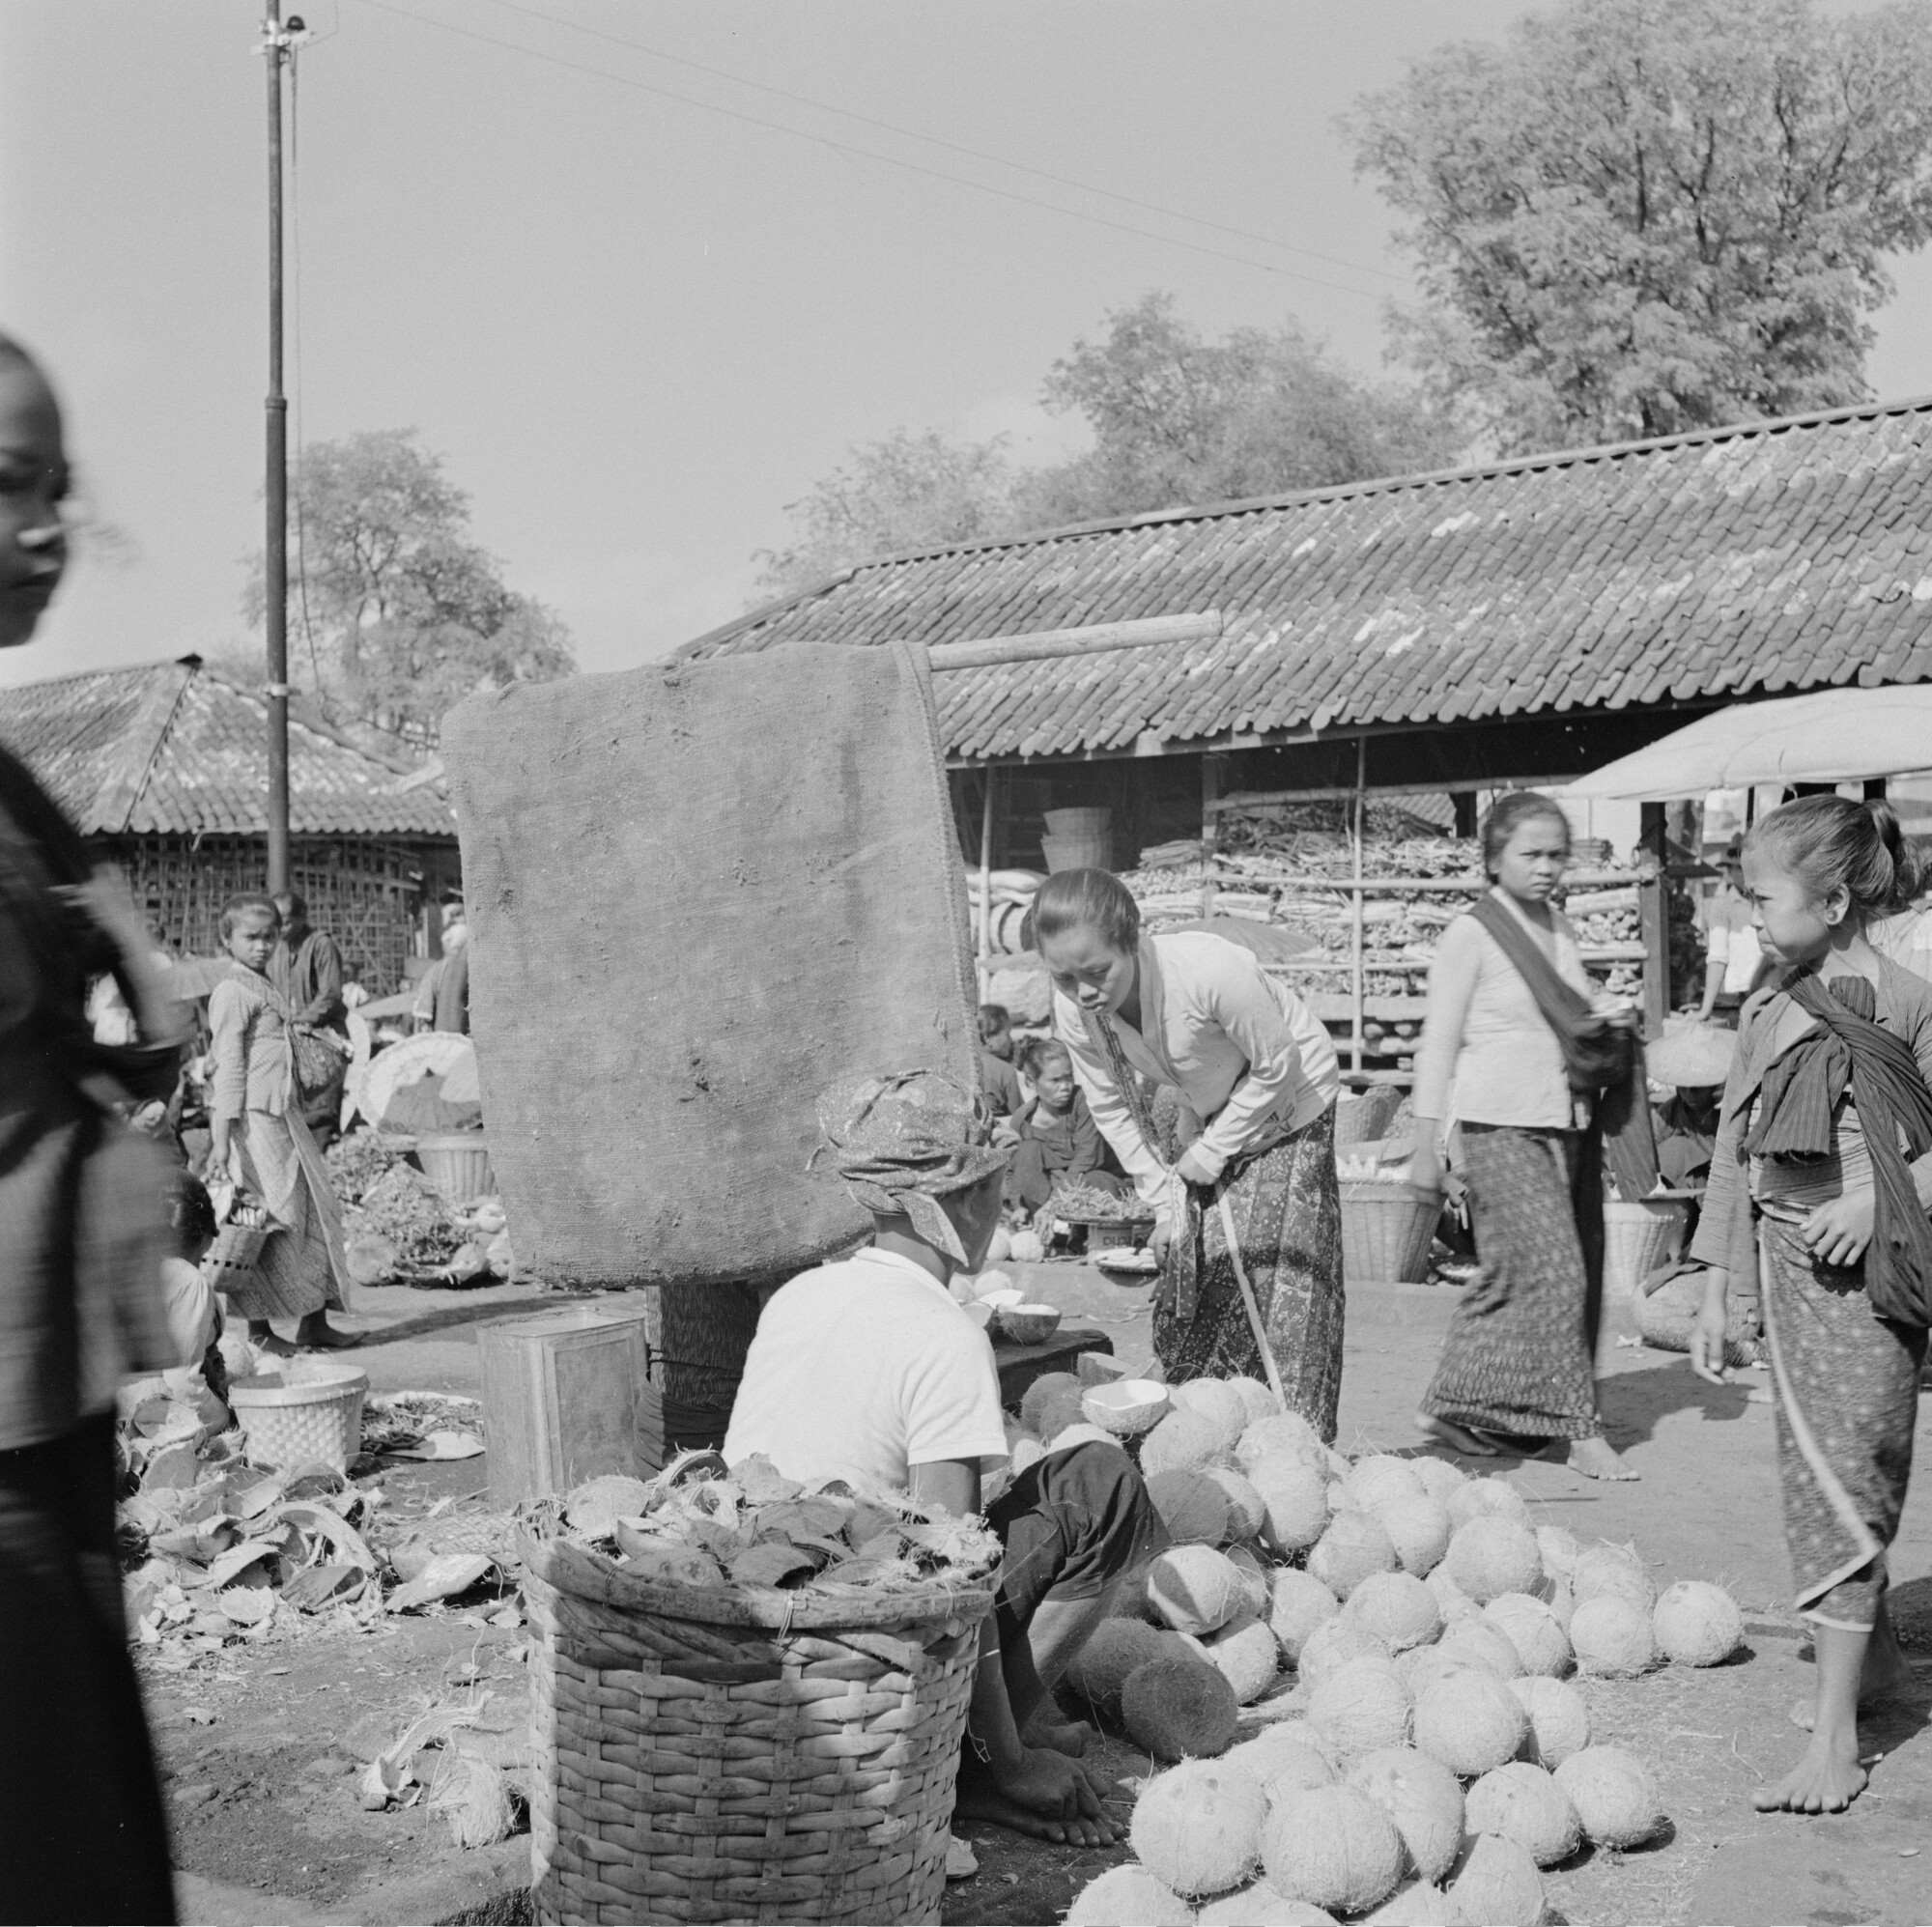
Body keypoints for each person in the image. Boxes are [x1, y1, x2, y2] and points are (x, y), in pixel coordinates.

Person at [724, 1067, 1167, 1845]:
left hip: (771, 1631)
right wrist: (1009, 1759)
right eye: (994, 1183)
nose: (1000, 1204)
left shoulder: (796, 1296)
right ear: (959, 1202)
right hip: (868, 1659)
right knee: (1102, 1481)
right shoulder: (945, 1334)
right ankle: (965, 1766)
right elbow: (950, 1588)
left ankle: (985, 1738)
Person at [0, 330, 180, 1924]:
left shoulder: (17, 794)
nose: (42, 525)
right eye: (2, 484)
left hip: (49, 1438)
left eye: (50, 485)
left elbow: (151, 1023)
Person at [1690, 796, 1932, 1816]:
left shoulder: (1908, 1000)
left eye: (1760, 898)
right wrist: (1714, 1283)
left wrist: (1875, 1192)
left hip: (1871, 1274)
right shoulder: (1762, 1007)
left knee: (1850, 1482)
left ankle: (1834, 1744)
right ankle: (1866, 1669)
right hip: (1787, 1269)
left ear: (1831, 900)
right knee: (1816, 1476)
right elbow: (1730, 1157)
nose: (1746, 917)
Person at [1032, 868, 1344, 1432]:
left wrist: (1217, 1147)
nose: (1084, 992)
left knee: (1277, 1277)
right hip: (1208, 1110)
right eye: (1065, 979)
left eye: (1097, 972)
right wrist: (1161, 1200)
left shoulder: (1209, 971)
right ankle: (1208, 1425)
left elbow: (1278, 1062)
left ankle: (1297, 1436)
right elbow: (1109, 1105)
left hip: (1293, 1100)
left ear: (1132, 939)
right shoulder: (1079, 1013)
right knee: (1198, 1266)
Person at [1410, 793, 1651, 1482]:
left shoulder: (1560, 928)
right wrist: (1426, 1143)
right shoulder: (1473, 933)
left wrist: (1605, 1014)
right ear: (1493, 858)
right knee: (1559, 1271)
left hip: (1562, 1121)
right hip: (1497, 1124)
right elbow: (1438, 1042)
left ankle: (1451, 1406)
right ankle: (1580, 1430)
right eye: (1531, 854)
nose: (1548, 868)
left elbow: (1568, 1015)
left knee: (1514, 1274)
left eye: (1556, 854)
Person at [208, 893, 357, 1354]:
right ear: (226, 939)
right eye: (250, 938)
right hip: (254, 1123)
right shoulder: (232, 992)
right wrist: (220, 1140)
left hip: (284, 1115)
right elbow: (228, 1067)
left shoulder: (263, 985)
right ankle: (259, 1332)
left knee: (312, 1209)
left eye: (269, 937)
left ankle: (314, 1323)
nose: (261, 946)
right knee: (268, 1220)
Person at [1002, 1036, 1125, 1215]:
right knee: (1026, 1151)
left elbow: (1087, 1159)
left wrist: (1056, 1201)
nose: (1065, 1086)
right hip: (1050, 1192)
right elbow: (1011, 1170)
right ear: (1031, 1082)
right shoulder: (1022, 1120)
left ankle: (1071, 1232)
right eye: (1055, 1080)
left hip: (1089, 1183)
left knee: (1093, 1180)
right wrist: (1017, 1206)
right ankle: (1038, 1220)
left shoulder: (1084, 1102)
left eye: (1069, 1077)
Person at [270, 888, 350, 1148]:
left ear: (302, 917)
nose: (280, 927)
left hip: (322, 1037)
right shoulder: (278, 950)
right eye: (276, 921)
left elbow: (331, 993)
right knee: (294, 1113)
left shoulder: (321, 944)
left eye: (286, 920)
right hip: (292, 1040)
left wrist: (304, 1019)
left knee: (321, 1113)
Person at [1696, 840, 1772, 1025]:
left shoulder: (1769, 900)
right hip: (1747, 990)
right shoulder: (1722, 906)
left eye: (1747, 866)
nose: (1744, 873)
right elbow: (1717, 956)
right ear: (1729, 872)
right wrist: (1706, 1008)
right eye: (1738, 868)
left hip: (1777, 984)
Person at [977, 1003, 1023, 1118]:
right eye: (1007, 1034)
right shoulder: (1005, 1071)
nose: (1011, 1040)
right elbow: (1020, 1118)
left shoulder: (965, 1061)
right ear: (988, 1038)